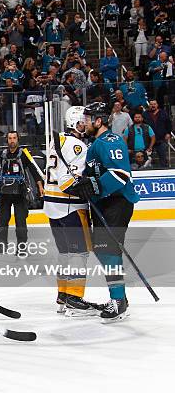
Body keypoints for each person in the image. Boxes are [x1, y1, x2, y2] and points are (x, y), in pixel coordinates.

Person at [67, 102, 140, 322]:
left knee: (108, 251)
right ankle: (120, 298)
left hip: (117, 202)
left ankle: (118, 300)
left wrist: (95, 186)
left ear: (98, 121)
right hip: (105, 203)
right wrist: (85, 182)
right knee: (103, 250)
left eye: (88, 119)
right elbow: (96, 175)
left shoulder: (111, 140)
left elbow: (120, 174)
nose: (85, 123)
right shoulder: (96, 143)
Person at [44, 107, 102, 317]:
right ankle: (75, 300)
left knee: (65, 253)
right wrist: (88, 188)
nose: (86, 123)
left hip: (52, 207)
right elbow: (69, 181)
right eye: (84, 120)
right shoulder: (77, 146)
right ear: (76, 123)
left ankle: (63, 296)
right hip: (70, 207)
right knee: (79, 253)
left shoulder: (56, 141)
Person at [0, 131, 44, 253]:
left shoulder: (23, 154)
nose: (12, 140)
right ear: (7, 140)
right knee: (3, 220)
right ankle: (3, 244)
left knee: (21, 220)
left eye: (14, 138)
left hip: (20, 192)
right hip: (5, 192)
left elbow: (33, 170)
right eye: (10, 138)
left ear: (18, 139)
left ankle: (22, 246)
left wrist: (40, 186)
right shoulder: (2, 154)